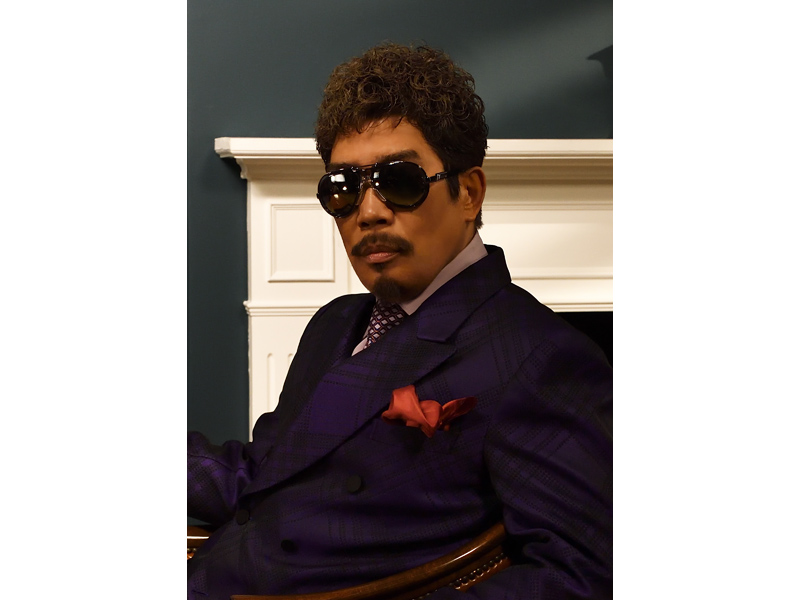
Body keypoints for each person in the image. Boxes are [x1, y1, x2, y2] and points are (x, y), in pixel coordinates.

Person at [188, 43, 612, 599]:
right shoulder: (334, 324)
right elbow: (262, 480)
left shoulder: (540, 357)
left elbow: (577, 578)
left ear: (469, 193)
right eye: (343, 188)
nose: (368, 211)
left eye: (400, 181)